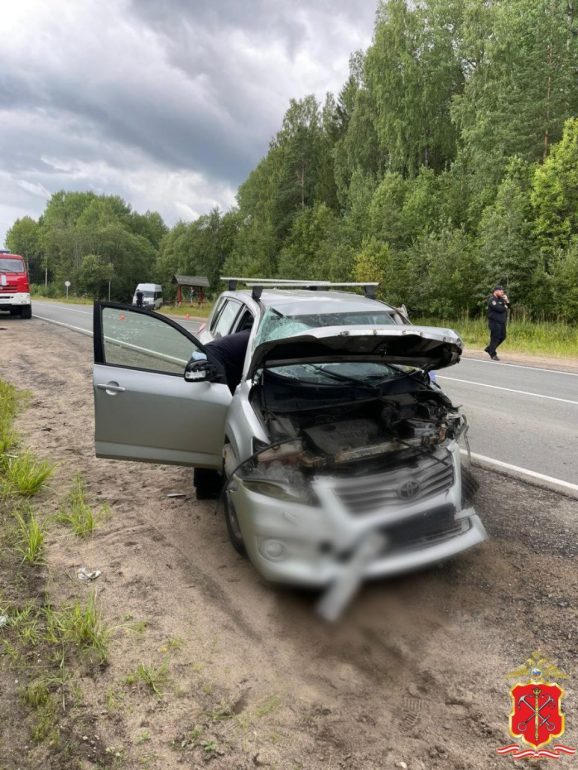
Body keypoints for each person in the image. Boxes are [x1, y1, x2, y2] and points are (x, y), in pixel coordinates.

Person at [189, 330, 251, 394]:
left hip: (203, 354)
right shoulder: (253, 342)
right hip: (212, 359)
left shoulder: (248, 335)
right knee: (224, 397)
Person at [485, 285, 510, 361]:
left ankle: (489, 348)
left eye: (503, 291)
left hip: (502, 322)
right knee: (495, 338)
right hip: (494, 322)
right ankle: (493, 354)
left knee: (503, 337)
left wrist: (507, 301)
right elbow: (500, 309)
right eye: (501, 291)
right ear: (496, 291)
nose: (502, 293)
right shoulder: (492, 300)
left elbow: (509, 307)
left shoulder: (501, 299)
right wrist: (504, 306)